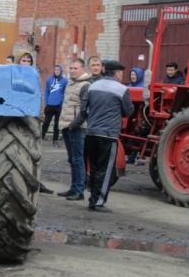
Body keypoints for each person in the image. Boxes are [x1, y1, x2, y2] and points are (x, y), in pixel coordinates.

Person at [71, 60, 134, 212]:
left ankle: (93, 198)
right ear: (117, 73)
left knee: (93, 168)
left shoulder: (92, 86)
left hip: (91, 133)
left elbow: (84, 109)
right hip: (109, 135)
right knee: (105, 169)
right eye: (121, 72)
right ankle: (98, 202)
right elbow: (128, 111)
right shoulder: (122, 89)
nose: (122, 75)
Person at [15, 49, 54, 194]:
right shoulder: (12, 76)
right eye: (23, 61)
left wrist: (41, 114)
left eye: (28, 61)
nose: (26, 64)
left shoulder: (34, 77)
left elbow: (39, 96)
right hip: (16, 117)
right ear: (17, 61)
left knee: (34, 152)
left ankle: (35, 181)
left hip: (32, 117)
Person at [57, 58, 92, 201]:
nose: (72, 71)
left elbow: (86, 110)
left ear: (82, 69)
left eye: (75, 68)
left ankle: (79, 190)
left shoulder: (85, 86)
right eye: (71, 68)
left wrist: (74, 125)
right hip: (67, 126)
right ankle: (73, 188)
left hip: (76, 128)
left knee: (78, 160)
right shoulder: (70, 84)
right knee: (72, 160)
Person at [42, 64, 68, 147]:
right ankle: (41, 138)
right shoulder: (49, 80)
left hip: (58, 106)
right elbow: (46, 91)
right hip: (50, 105)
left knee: (57, 125)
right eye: (55, 69)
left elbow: (65, 93)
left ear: (60, 71)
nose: (56, 71)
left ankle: (55, 140)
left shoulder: (64, 81)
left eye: (58, 70)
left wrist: (63, 104)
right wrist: (46, 102)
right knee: (46, 122)